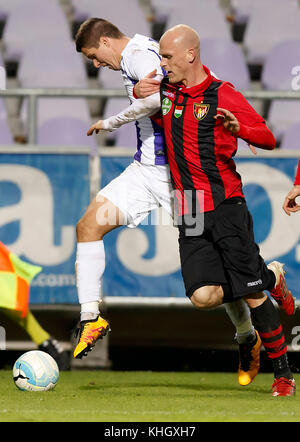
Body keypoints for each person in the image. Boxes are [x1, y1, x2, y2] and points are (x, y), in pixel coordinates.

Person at [90, 23, 296, 396]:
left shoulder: (222, 93)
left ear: (191, 55)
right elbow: (141, 97)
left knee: (250, 294)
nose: (161, 62)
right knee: (203, 297)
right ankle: (270, 277)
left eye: (167, 56)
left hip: (225, 203)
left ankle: (282, 374)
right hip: (188, 205)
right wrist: (132, 95)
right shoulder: (167, 89)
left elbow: (267, 136)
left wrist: (240, 129)